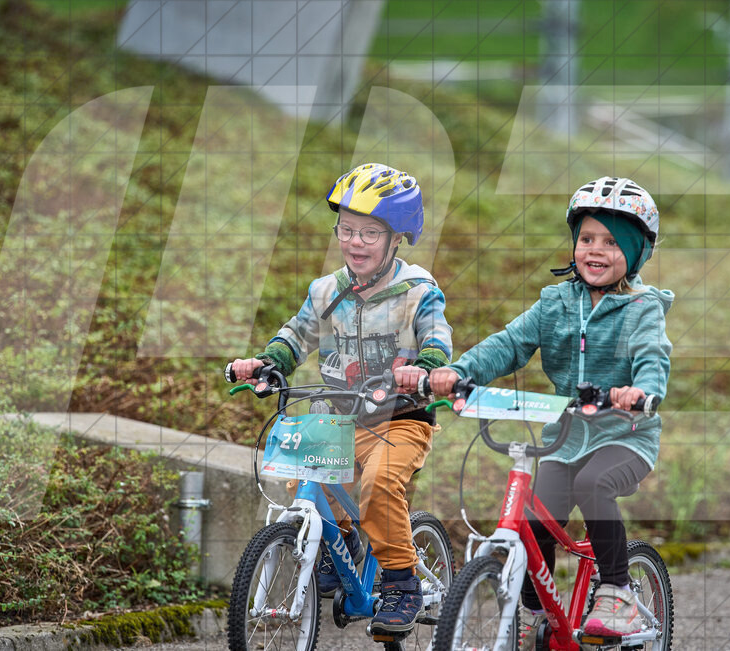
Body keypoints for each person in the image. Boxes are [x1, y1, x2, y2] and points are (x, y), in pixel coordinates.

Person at [430, 176, 673, 638]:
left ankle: (618, 592)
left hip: (626, 435)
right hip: (564, 437)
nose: (595, 250)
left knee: (593, 484)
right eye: (586, 239)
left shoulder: (643, 308)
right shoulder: (555, 303)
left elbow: (651, 356)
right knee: (536, 519)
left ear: (637, 252)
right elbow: (507, 344)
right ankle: (534, 616)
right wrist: (459, 372)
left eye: (611, 242)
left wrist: (640, 393)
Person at [231, 163, 453, 635]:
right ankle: (342, 545)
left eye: (370, 233)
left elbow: (437, 340)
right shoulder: (327, 290)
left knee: (377, 484)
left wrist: (426, 368)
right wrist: (269, 362)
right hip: (339, 418)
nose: (355, 242)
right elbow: (296, 334)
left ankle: (401, 582)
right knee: (303, 478)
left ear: (397, 239)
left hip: (401, 419)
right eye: (347, 230)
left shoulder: (418, 291)